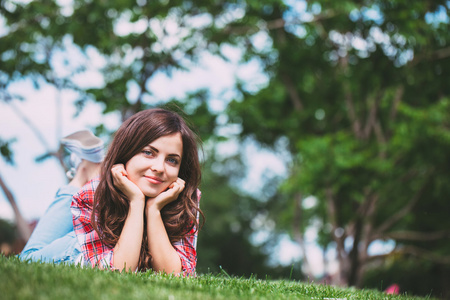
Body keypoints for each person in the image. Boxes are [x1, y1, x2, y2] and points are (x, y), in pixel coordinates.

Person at [20, 108, 203, 275]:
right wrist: (136, 201)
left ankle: (92, 165)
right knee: (27, 258)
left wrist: (153, 210)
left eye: (172, 160)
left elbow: (176, 275)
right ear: (127, 152)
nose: (159, 168)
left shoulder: (185, 198)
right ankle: (83, 172)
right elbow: (120, 269)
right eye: (148, 152)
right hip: (74, 251)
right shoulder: (94, 193)